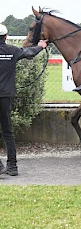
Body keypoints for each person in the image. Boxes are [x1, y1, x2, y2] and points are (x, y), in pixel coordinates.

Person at [0, 24, 47, 176]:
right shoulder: (12, 51)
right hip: (6, 96)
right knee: (8, 132)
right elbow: (29, 52)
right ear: (6, 37)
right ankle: (12, 167)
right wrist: (41, 46)